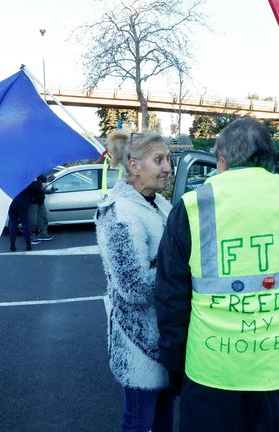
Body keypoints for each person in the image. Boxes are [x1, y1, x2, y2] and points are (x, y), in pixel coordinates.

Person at [155, 118, 279, 431]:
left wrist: (175, 368)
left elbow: (171, 299)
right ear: (268, 157)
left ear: (221, 161)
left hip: (215, 378)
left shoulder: (193, 207)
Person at [95, 130, 175, 432]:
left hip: (167, 338)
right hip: (139, 346)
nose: (167, 167)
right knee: (139, 422)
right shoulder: (119, 212)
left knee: (165, 419)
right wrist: (178, 268)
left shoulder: (160, 204)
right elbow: (134, 287)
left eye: (167, 158)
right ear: (134, 165)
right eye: (159, 160)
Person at [8, 182, 33, 252]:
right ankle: (28, 245)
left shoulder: (9, 175)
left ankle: (12, 245)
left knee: (12, 223)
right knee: (25, 223)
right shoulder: (25, 174)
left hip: (11, 200)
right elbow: (32, 187)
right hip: (24, 200)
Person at [28, 175, 53, 244]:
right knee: (32, 220)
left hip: (40, 199)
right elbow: (32, 187)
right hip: (32, 200)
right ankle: (31, 237)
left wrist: (46, 181)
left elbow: (42, 185)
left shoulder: (39, 174)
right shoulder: (30, 174)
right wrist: (41, 185)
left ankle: (43, 234)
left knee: (43, 217)